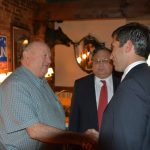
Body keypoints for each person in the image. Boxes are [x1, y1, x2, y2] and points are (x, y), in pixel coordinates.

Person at [0, 41, 95, 150]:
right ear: (27, 56)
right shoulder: (15, 85)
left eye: (50, 57)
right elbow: (35, 131)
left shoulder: (39, 80)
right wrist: (80, 139)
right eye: (45, 56)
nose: (49, 61)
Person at [98, 22, 150, 150]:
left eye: (113, 47)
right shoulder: (145, 76)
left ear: (127, 46)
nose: (111, 55)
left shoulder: (132, 86)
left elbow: (127, 143)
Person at [69, 45, 121, 133]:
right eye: (96, 61)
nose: (100, 64)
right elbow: (74, 118)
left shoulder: (122, 84)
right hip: (86, 143)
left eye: (104, 60)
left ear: (112, 62)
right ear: (92, 64)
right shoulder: (80, 85)